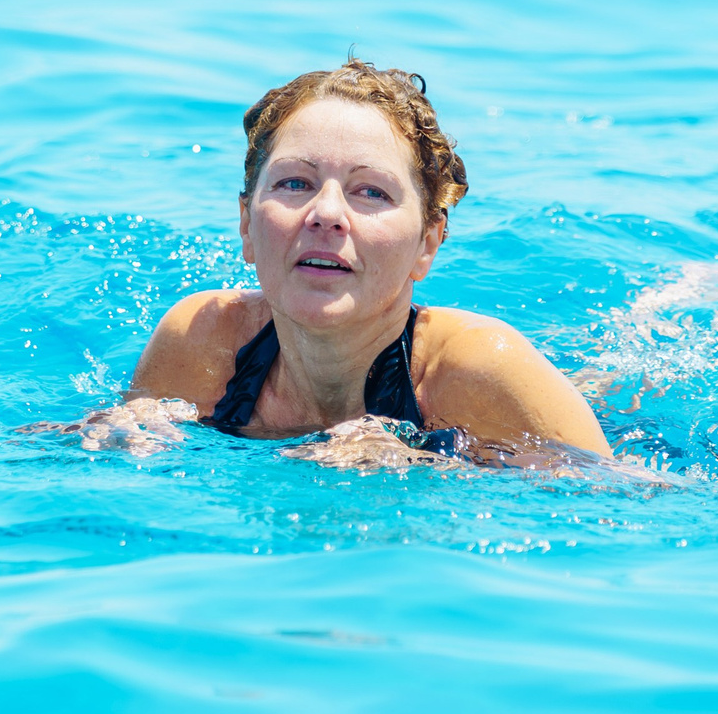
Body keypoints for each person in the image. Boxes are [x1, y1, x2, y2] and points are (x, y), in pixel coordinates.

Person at [73, 59, 612, 465]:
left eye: (371, 192)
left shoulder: (480, 374)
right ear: (246, 224)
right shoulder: (201, 341)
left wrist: (426, 464)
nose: (325, 213)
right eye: (294, 183)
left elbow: (634, 501)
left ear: (427, 243)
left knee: (606, 378)